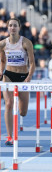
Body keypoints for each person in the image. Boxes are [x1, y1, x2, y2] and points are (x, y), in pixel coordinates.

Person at [0, 18, 35, 146]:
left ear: (19, 27)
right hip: (8, 75)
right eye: (10, 25)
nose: (12, 28)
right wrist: (0, 71)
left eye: (15, 25)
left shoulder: (26, 43)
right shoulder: (3, 44)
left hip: (23, 77)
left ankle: (21, 111)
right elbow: (2, 60)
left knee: (23, 112)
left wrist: (29, 77)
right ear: (8, 28)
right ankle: (10, 136)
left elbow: (32, 63)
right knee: (8, 104)